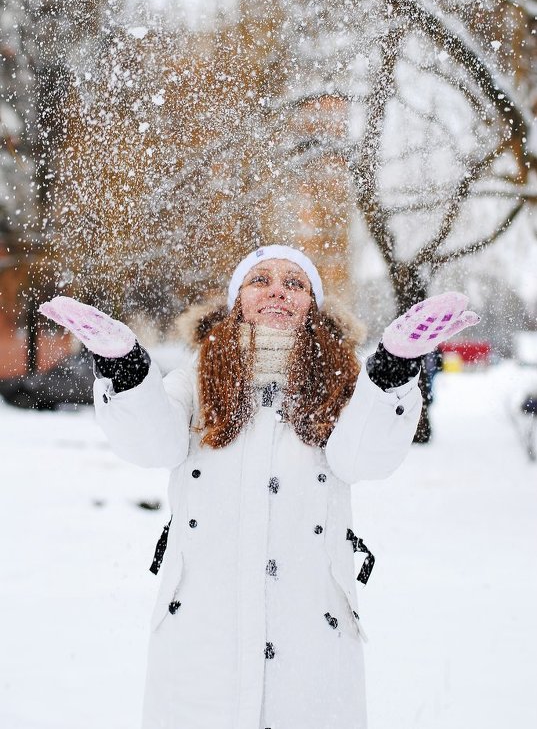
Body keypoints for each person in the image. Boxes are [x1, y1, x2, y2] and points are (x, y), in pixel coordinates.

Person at [39, 245, 479, 729]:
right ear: (237, 301)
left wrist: (394, 366)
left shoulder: (343, 378)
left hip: (311, 630)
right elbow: (154, 445)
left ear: (312, 304)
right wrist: (124, 365)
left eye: (295, 283)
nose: (277, 290)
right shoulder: (198, 374)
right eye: (260, 279)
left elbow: (362, 458)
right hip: (203, 637)